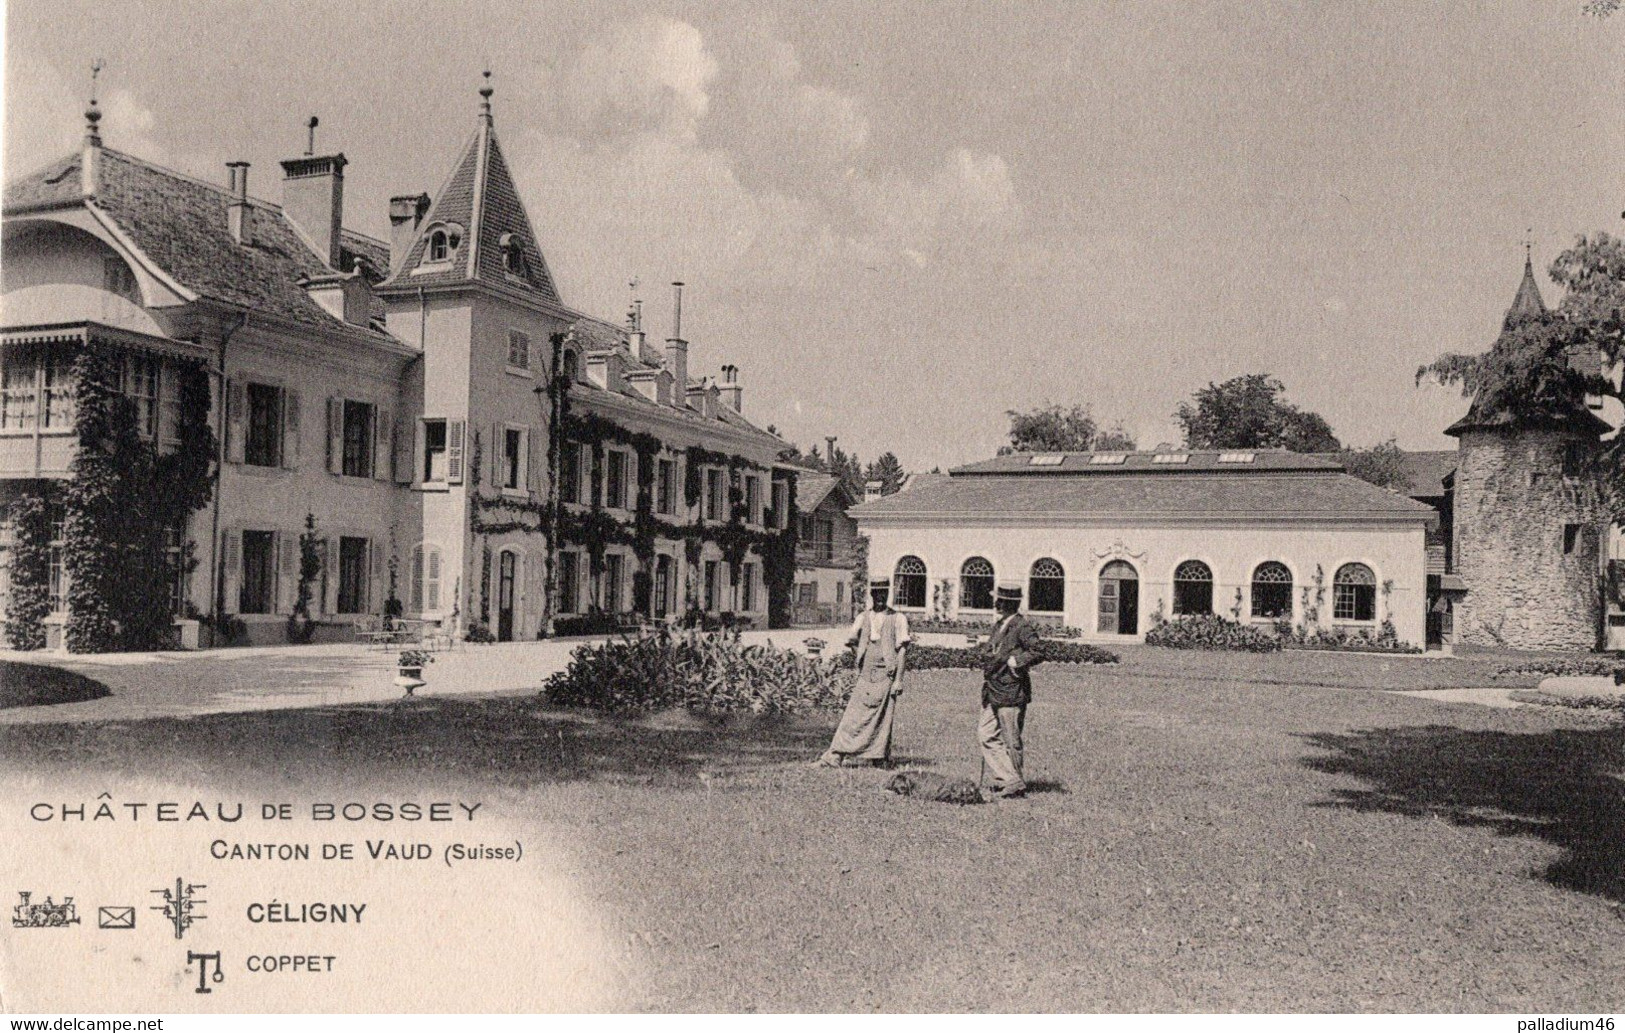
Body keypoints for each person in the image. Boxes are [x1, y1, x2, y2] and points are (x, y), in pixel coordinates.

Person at [816, 577, 911, 768]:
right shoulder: (862, 617)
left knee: (884, 717)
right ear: (872, 594)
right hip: (866, 674)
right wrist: (860, 655)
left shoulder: (898, 619)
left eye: (884, 593)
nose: (880, 597)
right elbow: (852, 640)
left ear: (888, 594)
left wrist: (898, 680)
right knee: (853, 715)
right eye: (877, 593)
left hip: (887, 675)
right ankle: (835, 755)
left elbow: (902, 650)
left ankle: (879, 758)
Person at [980, 580, 1041, 798]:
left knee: (1011, 740)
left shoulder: (1022, 626)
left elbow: (1038, 650)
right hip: (993, 689)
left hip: (1011, 691)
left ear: (1006, 603)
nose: (996, 603)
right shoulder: (999, 625)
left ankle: (1013, 781)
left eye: (1000, 600)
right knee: (986, 734)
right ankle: (1007, 778)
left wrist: (1018, 661)